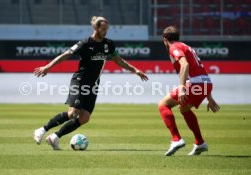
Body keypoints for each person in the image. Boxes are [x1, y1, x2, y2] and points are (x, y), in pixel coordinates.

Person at [33, 16, 148, 150]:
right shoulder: (85, 43)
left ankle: (55, 137)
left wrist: (135, 70)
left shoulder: (108, 44)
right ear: (96, 28)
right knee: (72, 113)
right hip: (80, 81)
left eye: (107, 29)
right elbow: (66, 55)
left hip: (93, 84)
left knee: (84, 117)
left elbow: (118, 60)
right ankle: (41, 130)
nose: (106, 31)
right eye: (103, 29)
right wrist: (48, 67)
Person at [158, 26, 220, 156]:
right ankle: (200, 143)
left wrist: (181, 87)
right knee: (184, 108)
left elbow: (184, 64)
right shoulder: (186, 46)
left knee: (163, 105)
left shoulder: (174, 47)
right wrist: (209, 97)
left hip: (195, 83)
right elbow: (199, 69)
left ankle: (176, 140)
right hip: (206, 83)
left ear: (164, 39)